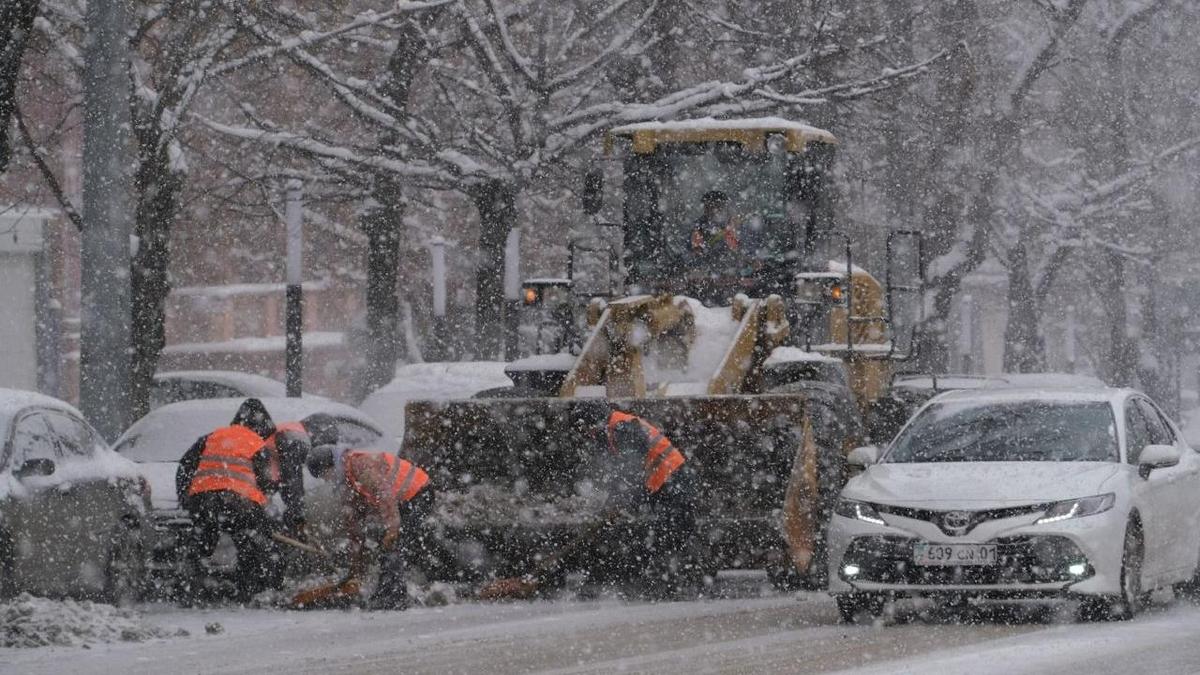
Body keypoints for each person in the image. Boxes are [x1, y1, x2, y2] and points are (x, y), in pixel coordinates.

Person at [569, 400, 700, 597]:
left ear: (594, 421)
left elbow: (631, 469)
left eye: (586, 428)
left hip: (673, 480)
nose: (587, 434)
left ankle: (676, 583)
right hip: (665, 482)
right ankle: (671, 581)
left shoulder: (622, 427)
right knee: (666, 532)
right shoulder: (614, 428)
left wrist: (623, 498)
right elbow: (621, 472)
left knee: (671, 532)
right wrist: (614, 500)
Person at [304, 446, 436, 610]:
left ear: (330, 466)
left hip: (418, 492)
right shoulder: (347, 480)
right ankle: (386, 592)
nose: (326, 480)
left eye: (324, 475)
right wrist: (355, 567)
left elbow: (384, 493)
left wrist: (392, 528)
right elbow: (354, 523)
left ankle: (395, 597)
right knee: (388, 545)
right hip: (402, 500)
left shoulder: (359, 465)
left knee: (396, 544)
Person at [175, 398, 280, 601]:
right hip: (239, 502)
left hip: (203, 500)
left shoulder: (212, 436)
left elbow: (185, 466)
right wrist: (263, 509)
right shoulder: (257, 443)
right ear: (260, 425)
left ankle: (190, 588)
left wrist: (186, 497)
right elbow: (267, 482)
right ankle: (248, 589)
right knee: (251, 540)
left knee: (203, 539)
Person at [262, 413, 340, 539]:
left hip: (260, 473)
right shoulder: (298, 438)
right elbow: (292, 477)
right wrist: (298, 514)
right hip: (256, 474)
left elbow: (286, 477)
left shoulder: (294, 430)